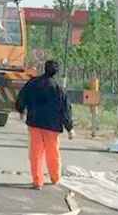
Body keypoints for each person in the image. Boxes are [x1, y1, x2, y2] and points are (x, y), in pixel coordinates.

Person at [16, 59, 74, 189]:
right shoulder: (59, 89)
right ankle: (55, 178)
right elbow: (66, 109)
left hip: (35, 123)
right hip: (53, 127)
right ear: (56, 72)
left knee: (36, 153)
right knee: (53, 153)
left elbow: (22, 97)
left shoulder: (32, 83)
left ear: (44, 68)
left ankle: (37, 181)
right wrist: (69, 127)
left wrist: (21, 110)